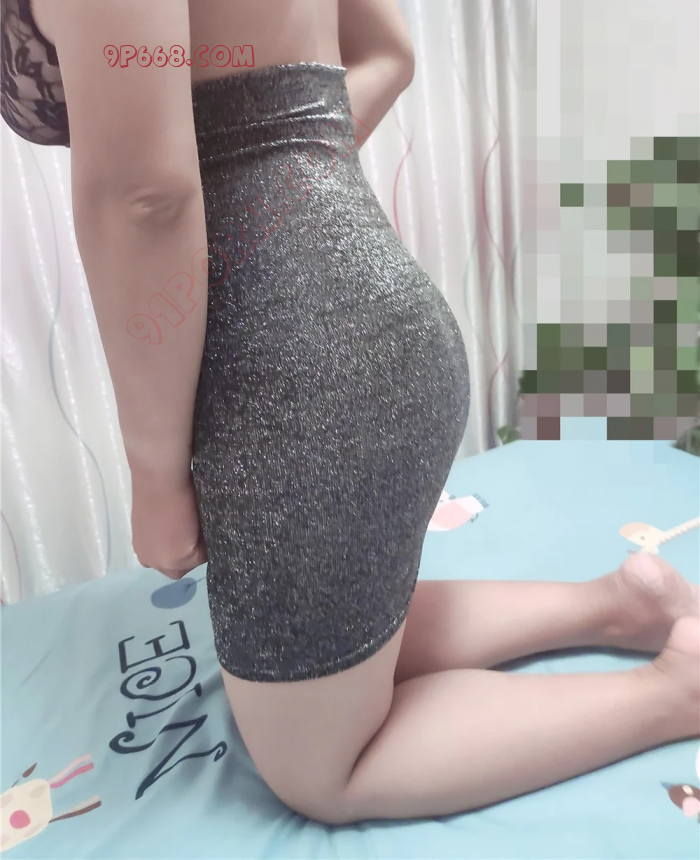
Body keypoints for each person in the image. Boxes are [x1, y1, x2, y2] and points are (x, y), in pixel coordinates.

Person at [2, 0, 698, 828]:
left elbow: (145, 196)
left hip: (294, 382)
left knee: (322, 771)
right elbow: (387, 55)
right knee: (337, 639)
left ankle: (676, 690)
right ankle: (619, 603)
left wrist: (156, 481)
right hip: (378, 326)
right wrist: (284, 186)